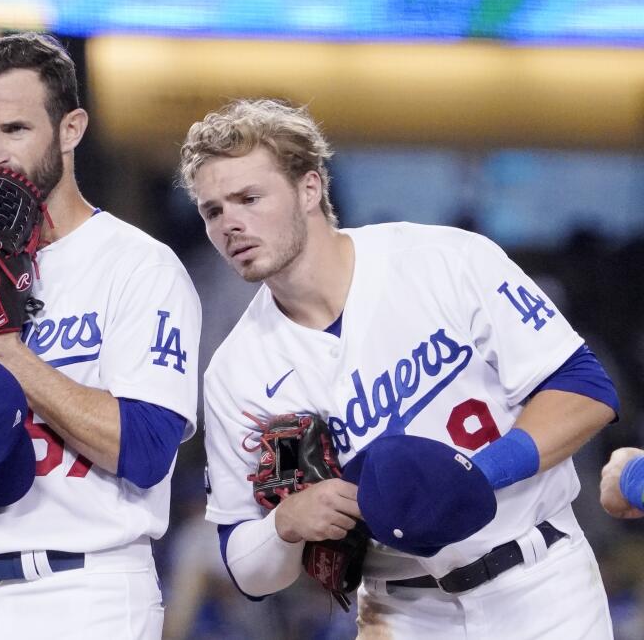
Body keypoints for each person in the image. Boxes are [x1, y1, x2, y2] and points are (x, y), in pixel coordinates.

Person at [182, 98, 619, 638]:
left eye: (249, 198)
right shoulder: (235, 371)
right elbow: (246, 566)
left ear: (310, 188)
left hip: (539, 582)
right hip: (402, 612)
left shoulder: (444, 260)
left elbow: (584, 389)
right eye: (213, 210)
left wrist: (475, 478)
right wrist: (285, 526)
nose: (231, 224)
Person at [0, 32, 202, 639]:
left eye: (16, 130)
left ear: (71, 128)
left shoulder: (137, 265)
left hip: (86, 593)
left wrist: (2, 348)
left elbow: (144, 448)